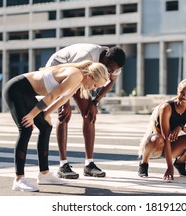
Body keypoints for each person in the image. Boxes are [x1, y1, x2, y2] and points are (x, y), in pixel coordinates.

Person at [3, 60, 109, 192]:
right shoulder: (75, 75)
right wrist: (31, 115)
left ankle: (44, 174)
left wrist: (46, 114)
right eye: (95, 85)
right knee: (26, 127)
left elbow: (63, 99)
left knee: (46, 127)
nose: (94, 89)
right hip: (16, 89)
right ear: (89, 76)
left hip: (27, 93)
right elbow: (52, 95)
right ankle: (19, 179)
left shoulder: (79, 80)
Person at [46, 43, 126, 179]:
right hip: (59, 72)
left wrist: (95, 102)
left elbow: (111, 81)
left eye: (114, 70)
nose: (111, 72)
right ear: (105, 60)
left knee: (90, 115)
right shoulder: (87, 55)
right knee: (64, 115)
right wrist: (64, 103)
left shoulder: (114, 65)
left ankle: (89, 164)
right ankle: (63, 165)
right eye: (110, 69)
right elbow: (68, 78)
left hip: (81, 77)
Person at [138, 77, 186, 181]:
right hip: (157, 145)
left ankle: (180, 163)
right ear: (178, 91)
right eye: (182, 93)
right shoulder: (166, 108)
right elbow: (166, 137)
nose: (184, 97)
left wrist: (181, 127)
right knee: (156, 139)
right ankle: (144, 163)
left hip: (172, 145)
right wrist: (169, 167)